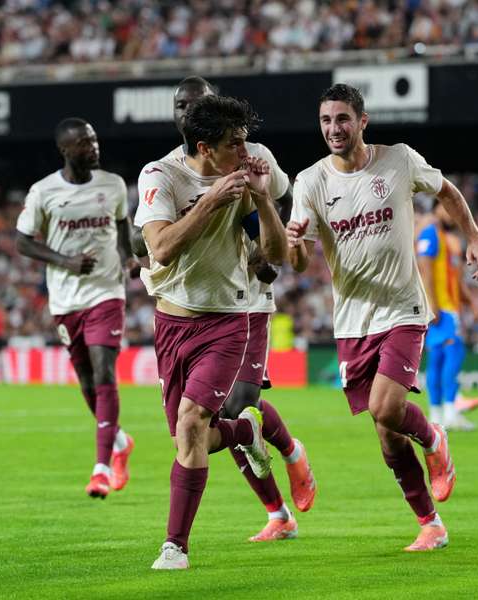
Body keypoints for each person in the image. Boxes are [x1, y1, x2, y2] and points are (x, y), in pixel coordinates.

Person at [287, 83, 478, 551]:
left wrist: (476, 237)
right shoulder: (310, 182)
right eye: (325, 121)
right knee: (385, 434)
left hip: (403, 307)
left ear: (363, 121)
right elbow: (297, 262)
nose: (333, 129)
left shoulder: (398, 159)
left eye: (342, 119)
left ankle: (434, 436)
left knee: (386, 408)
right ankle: (430, 524)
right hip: (352, 320)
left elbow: (447, 192)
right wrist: (295, 241)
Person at [135, 76, 317, 543]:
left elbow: (279, 213)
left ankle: (286, 461)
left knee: (229, 407)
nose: (187, 110)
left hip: (244, 302)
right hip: (178, 309)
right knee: (203, 429)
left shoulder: (251, 159)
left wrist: (269, 244)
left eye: (198, 104)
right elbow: (153, 243)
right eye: (181, 105)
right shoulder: (163, 172)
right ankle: (278, 509)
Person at [16, 118, 136, 499]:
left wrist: (131, 258)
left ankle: (100, 468)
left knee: (104, 370)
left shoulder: (113, 185)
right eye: (84, 143)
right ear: (66, 150)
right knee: (86, 380)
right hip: (65, 298)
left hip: (106, 291)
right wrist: (63, 261)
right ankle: (118, 441)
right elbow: (23, 242)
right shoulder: (44, 192)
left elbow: (121, 229)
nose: (93, 147)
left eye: (94, 139)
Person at [417, 199, 478, 431]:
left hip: (449, 306)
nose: (451, 214)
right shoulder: (430, 234)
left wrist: (471, 302)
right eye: (446, 208)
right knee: (451, 355)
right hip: (441, 308)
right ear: (435, 209)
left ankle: (439, 416)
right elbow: (423, 268)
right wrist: (431, 304)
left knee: (439, 359)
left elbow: (455, 278)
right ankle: (448, 412)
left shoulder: (450, 241)